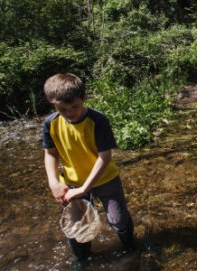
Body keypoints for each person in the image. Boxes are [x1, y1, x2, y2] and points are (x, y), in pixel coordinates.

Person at [42, 73, 135, 264]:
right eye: (62, 109)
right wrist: (53, 182)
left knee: (118, 220)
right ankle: (81, 260)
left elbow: (105, 156)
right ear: (53, 104)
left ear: (83, 99)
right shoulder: (51, 123)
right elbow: (51, 153)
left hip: (105, 179)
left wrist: (85, 189)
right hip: (71, 182)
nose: (69, 113)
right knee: (76, 226)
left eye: (74, 107)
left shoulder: (97, 120)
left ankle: (131, 246)